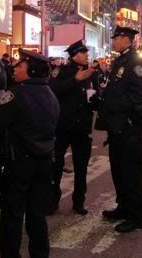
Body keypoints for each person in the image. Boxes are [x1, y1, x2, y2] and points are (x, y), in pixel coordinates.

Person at [0, 50, 59, 258]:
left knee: (12, 215)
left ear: (32, 70)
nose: (14, 69)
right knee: (37, 214)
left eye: (20, 66)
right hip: (44, 162)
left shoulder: (17, 93)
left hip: (19, 163)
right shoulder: (50, 95)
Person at [98, 26, 142, 233]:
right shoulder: (121, 60)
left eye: (117, 38)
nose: (114, 41)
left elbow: (138, 96)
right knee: (118, 170)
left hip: (128, 125)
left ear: (126, 39)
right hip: (117, 126)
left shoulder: (135, 62)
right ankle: (123, 207)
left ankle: (136, 216)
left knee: (131, 172)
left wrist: (113, 106)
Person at [48, 40, 96, 216]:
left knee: (81, 166)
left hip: (82, 127)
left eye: (86, 52)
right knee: (56, 165)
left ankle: (79, 201)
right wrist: (75, 80)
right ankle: (53, 200)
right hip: (63, 126)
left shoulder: (90, 73)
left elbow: (93, 93)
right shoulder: (61, 71)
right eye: (83, 53)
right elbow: (54, 89)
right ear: (74, 55)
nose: (87, 55)